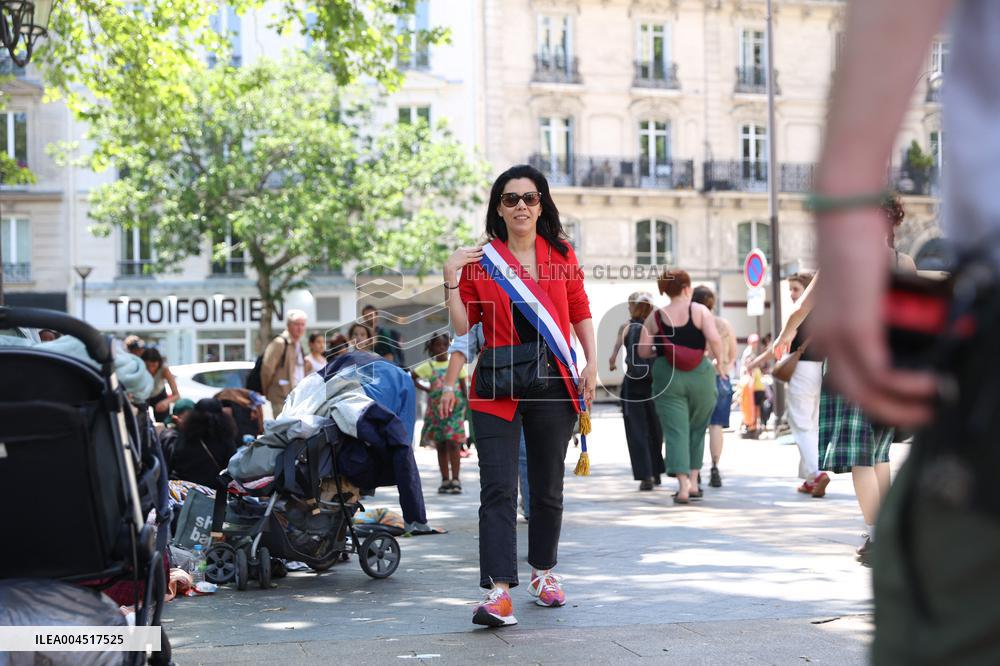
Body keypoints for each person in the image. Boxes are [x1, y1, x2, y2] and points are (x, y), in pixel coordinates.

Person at [444, 164, 596, 628]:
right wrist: (450, 278)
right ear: (498, 208)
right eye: (511, 200)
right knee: (498, 487)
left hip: (553, 383)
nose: (522, 207)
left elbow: (578, 309)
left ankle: (543, 572)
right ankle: (498, 591)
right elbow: (463, 328)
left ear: (542, 204)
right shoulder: (479, 261)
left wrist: (590, 362)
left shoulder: (561, 253)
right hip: (496, 386)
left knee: (547, 486)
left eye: (530, 198)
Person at [638, 270, 724, 504]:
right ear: (687, 287)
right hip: (701, 375)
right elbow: (715, 340)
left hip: (668, 375)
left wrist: (663, 350)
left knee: (676, 431)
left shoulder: (655, 316)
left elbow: (642, 352)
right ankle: (695, 483)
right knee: (697, 428)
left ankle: (683, 487)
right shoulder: (700, 311)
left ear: (665, 289)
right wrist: (721, 364)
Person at [441, 322, 532, 520]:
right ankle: (504, 514)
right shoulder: (482, 310)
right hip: (495, 393)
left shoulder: (530, 304)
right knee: (500, 464)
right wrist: (448, 387)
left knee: (527, 454)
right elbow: (463, 344)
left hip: (532, 389)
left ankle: (532, 506)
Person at [749, 273, 829, 497]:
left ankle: (816, 473)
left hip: (803, 369)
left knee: (801, 424)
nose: (792, 294)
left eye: (795, 289)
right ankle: (808, 477)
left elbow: (779, 344)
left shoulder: (800, 313)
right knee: (810, 424)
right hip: (822, 369)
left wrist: (758, 360)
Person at [609, 291, 664, 491]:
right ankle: (657, 471)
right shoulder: (656, 326)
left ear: (632, 306)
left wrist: (614, 362)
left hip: (633, 383)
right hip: (655, 383)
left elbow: (613, 356)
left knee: (637, 430)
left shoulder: (625, 327)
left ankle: (646, 475)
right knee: (655, 428)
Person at [691, 286, 737, 488]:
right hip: (722, 377)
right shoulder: (724, 324)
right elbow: (734, 354)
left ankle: (695, 470)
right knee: (716, 425)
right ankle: (715, 468)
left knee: (697, 425)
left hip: (699, 377)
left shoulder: (693, 323)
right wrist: (724, 366)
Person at [412, 333, 469, 494]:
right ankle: (445, 479)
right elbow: (412, 376)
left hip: (455, 412)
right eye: (438, 345)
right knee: (441, 445)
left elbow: (464, 386)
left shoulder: (456, 364)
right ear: (431, 348)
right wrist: (427, 389)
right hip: (437, 414)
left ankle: (456, 478)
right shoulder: (428, 367)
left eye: (445, 345)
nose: (442, 349)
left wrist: (466, 406)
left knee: (454, 443)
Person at [168, 398, 240, 488]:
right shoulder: (225, 439)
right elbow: (232, 468)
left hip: (185, 491)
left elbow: (175, 461)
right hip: (213, 492)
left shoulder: (185, 436)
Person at [260, 309, 307, 416]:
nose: (300, 328)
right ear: (288, 325)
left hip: (297, 397)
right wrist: (269, 391)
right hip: (281, 397)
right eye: (296, 324)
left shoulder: (299, 344)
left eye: (302, 324)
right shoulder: (280, 343)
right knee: (283, 430)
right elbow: (267, 369)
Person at [142, 348, 180, 422]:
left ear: (159, 363)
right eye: (148, 366)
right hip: (143, 396)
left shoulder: (164, 369)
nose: (150, 369)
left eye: (153, 365)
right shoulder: (140, 369)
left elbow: (177, 395)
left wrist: (166, 402)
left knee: (163, 421)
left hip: (159, 396)